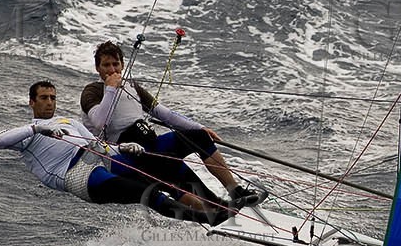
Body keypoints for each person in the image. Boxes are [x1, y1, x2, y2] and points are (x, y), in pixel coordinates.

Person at [0, 80, 230, 224]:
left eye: (53, 97)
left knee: (156, 170)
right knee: (148, 192)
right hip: (78, 176)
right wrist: (36, 128)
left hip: (99, 160)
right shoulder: (26, 134)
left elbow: (98, 145)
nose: (49, 102)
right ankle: (208, 219)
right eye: (43, 98)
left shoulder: (68, 121)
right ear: (31, 102)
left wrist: (123, 147)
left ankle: (216, 207)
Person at [80, 41, 267, 210]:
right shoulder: (93, 91)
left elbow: (164, 113)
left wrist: (199, 127)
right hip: (130, 154)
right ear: (98, 68)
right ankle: (217, 208)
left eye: (116, 64)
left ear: (122, 65)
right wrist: (111, 88)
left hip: (151, 142)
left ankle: (235, 192)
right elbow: (99, 121)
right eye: (106, 65)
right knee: (174, 168)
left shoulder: (132, 87)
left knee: (199, 137)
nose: (112, 70)